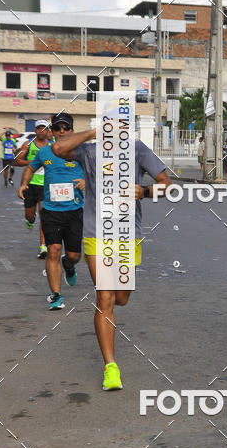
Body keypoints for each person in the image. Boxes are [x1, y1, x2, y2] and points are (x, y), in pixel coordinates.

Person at [52, 125, 172, 391]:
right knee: (104, 298)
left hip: (129, 233)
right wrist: (91, 132)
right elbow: (58, 148)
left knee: (121, 297)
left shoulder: (138, 149)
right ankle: (111, 366)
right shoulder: (89, 150)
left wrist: (146, 192)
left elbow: (168, 186)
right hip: (98, 233)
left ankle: (111, 349)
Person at [17, 113, 84, 310]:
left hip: (74, 210)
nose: (61, 131)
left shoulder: (81, 152)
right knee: (53, 251)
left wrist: (87, 181)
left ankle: (69, 265)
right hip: (50, 211)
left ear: (72, 131)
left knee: (73, 255)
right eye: (57, 128)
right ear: (52, 132)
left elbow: (99, 171)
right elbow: (30, 168)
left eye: (65, 128)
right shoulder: (44, 152)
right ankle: (56, 295)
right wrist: (23, 184)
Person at [14, 118, 51, 258]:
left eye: (44, 128)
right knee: (30, 215)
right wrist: (33, 162)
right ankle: (30, 220)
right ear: (35, 130)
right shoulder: (28, 145)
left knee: (45, 216)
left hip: (45, 185)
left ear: (48, 131)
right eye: (39, 128)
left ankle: (43, 247)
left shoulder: (52, 146)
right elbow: (17, 161)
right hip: (30, 185)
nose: (41, 131)